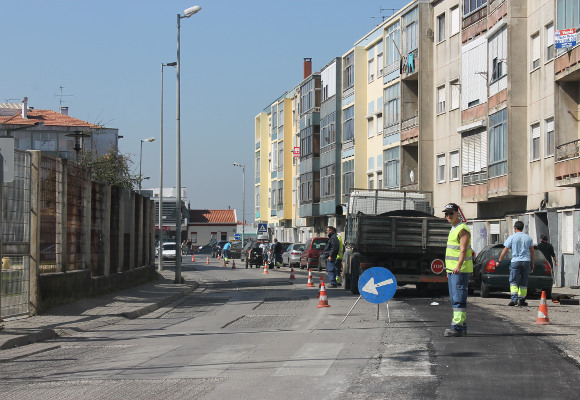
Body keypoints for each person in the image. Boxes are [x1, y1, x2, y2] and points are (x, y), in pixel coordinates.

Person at [442, 203, 473, 337]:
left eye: (451, 213)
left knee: (458, 298)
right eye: (446, 214)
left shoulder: (462, 228)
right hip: (453, 270)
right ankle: (461, 325)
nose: (448, 216)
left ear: (457, 213)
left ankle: (457, 326)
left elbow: (463, 250)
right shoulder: (454, 228)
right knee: (455, 297)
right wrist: (450, 270)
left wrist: (458, 266)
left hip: (459, 270)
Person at [499, 221, 535, 307]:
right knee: (524, 281)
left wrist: (499, 261)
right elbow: (532, 252)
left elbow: (505, 250)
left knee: (514, 281)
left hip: (515, 261)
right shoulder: (528, 238)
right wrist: (532, 263)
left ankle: (514, 299)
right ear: (523, 227)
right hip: (526, 261)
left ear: (515, 228)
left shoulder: (512, 237)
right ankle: (522, 300)